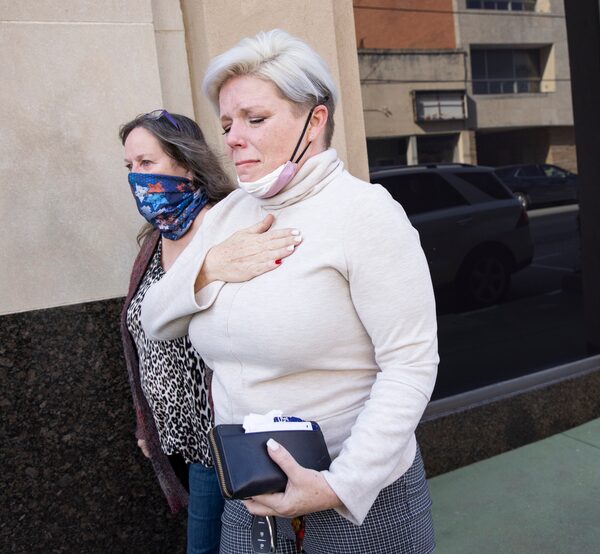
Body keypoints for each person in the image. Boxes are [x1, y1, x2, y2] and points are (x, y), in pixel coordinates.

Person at [139, 29, 439, 554]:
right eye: (228, 123)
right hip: (250, 494)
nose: (232, 137)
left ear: (314, 121)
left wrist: (338, 485)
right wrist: (207, 267)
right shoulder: (230, 214)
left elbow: (410, 362)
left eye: (255, 120)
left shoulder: (365, 214)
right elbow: (156, 319)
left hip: (359, 501)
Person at [119, 110, 300, 553]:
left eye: (147, 163)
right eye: (129, 168)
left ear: (185, 162)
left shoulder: (229, 226)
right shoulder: (152, 241)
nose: (136, 178)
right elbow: (137, 336)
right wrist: (148, 424)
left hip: (220, 436)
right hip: (175, 435)